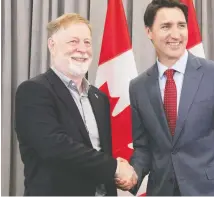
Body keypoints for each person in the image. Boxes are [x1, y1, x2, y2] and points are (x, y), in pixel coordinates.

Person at [116, 0, 214, 195]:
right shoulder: (138, 87)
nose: (175, 34)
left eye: (181, 25)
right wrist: (132, 175)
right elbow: (144, 148)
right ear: (149, 32)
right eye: (166, 26)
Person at [15, 13, 137, 196]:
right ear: (52, 45)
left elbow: (101, 151)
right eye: (73, 41)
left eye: (87, 42)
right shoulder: (33, 91)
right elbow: (55, 148)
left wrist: (118, 175)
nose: (82, 49)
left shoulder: (99, 98)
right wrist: (115, 168)